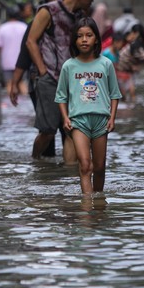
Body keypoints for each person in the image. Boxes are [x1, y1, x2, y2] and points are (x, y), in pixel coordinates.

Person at [26, 0, 105, 164]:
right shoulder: (48, 11)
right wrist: (43, 71)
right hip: (50, 79)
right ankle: (35, 162)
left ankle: (69, 174)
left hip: (74, 80)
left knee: (72, 129)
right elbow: (30, 41)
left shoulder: (80, 16)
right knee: (48, 131)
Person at [55, 17, 122, 194]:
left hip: (101, 120)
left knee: (99, 167)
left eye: (89, 35)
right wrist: (65, 118)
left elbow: (115, 94)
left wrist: (112, 118)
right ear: (74, 40)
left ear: (96, 39)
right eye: (80, 36)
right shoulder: (69, 66)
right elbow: (61, 96)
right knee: (85, 166)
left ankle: (98, 203)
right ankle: (86, 211)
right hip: (78, 122)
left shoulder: (106, 64)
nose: (84, 40)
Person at [8, 0, 64, 158]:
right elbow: (24, 55)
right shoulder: (36, 23)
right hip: (41, 80)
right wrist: (15, 84)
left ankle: (66, 171)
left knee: (67, 127)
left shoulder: (69, 22)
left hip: (65, 79)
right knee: (48, 128)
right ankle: (43, 165)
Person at [0, 9, 27, 87]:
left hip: (7, 61)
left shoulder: (2, 28)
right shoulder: (24, 27)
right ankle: (26, 99)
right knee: (22, 83)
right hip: (21, 60)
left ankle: (11, 99)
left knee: (9, 83)